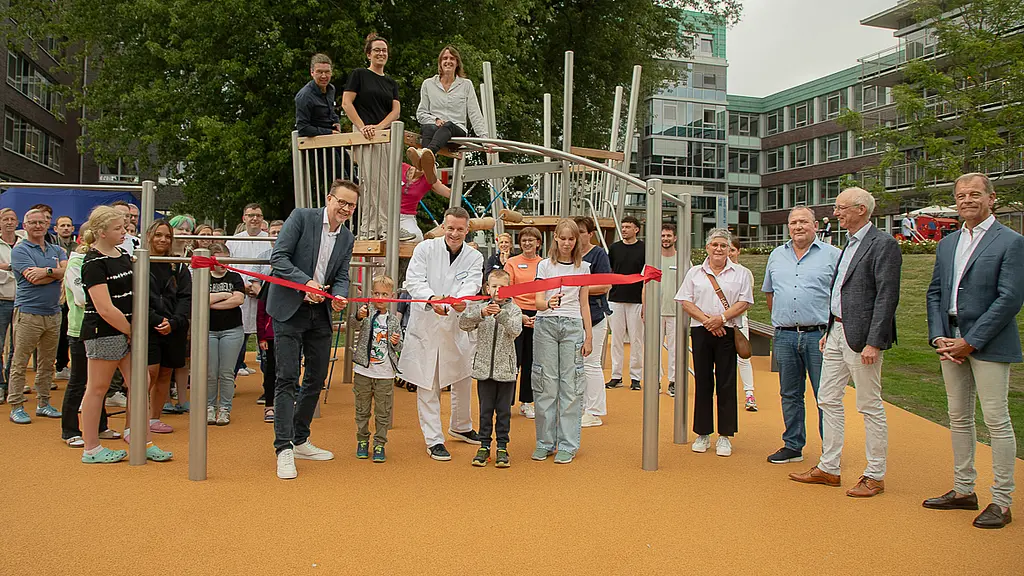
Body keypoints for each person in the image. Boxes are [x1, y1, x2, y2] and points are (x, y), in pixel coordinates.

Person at [923, 173, 1023, 529]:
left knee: (996, 420)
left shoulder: (1010, 241)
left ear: (991, 198)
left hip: (989, 342)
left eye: (975, 194)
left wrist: (971, 341)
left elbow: (1010, 298)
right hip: (950, 340)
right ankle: (964, 489)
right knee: (959, 416)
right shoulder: (948, 243)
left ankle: (1002, 500)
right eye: (961, 195)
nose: (967, 200)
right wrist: (939, 337)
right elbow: (935, 292)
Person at [789, 187, 901, 498]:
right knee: (827, 398)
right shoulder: (848, 245)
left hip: (863, 339)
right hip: (836, 332)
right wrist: (829, 329)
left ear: (861, 210)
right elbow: (839, 291)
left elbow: (886, 297)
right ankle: (829, 467)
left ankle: (875, 474)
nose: (836, 214)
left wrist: (874, 342)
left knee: (869, 404)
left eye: (841, 208)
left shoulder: (883, 245)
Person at [266, 178, 355, 479]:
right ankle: (283, 449)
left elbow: (342, 274)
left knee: (316, 377)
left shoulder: (347, 237)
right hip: (289, 308)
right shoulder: (302, 217)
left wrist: (339, 295)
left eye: (351, 205)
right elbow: (278, 258)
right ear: (329, 199)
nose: (345, 208)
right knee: (287, 377)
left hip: (321, 313)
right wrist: (305, 283)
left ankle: (300, 438)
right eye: (341, 201)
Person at [78, 206, 171, 463]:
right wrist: (131, 331)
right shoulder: (93, 262)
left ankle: (142, 438)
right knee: (97, 388)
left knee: (140, 384)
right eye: (118, 228)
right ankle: (91, 447)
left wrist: (133, 331)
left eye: (124, 227)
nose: (124, 231)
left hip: (128, 331)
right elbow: (105, 308)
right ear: (101, 232)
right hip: (105, 332)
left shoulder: (122, 254)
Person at [399, 207, 484, 461]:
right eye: (450, 228)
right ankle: (434, 439)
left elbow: (472, 282)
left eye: (460, 229)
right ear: (443, 227)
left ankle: (461, 426)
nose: (454, 233)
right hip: (427, 321)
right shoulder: (425, 249)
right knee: (429, 382)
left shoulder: (474, 256)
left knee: (463, 377)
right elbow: (413, 280)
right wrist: (431, 298)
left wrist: (463, 301)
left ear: (467, 230)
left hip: (457, 322)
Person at [762, 207, 840, 464]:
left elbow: (842, 297)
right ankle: (793, 445)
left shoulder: (833, 256)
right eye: (793, 222)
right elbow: (770, 294)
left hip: (818, 336)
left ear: (815, 225)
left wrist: (832, 330)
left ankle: (830, 454)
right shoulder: (776, 255)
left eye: (803, 221)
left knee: (825, 395)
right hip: (784, 336)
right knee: (790, 393)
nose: (798, 227)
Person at [676, 228, 753, 457]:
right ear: (707, 247)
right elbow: (685, 301)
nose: (718, 249)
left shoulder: (740, 273)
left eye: (723, 245)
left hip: (727, 332)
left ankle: (725, 436)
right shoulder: (695, 273)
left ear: (729, 249)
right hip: (701, 331)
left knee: (726, 383)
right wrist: (708, 321)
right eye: (714, 245)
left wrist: (721, 319)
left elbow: (744, 301)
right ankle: (702, 432)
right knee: (703, 382)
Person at [532, 219, 593, 464]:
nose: (567, 243)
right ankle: (545, 442)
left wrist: (588, 336)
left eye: (572, 238)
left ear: (576, 240)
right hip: (546, 324)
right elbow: (537, 301)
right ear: (555, 237)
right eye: (563, 238)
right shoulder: (545, 266)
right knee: (546, 385)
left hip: (572, 325)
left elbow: (584, 303)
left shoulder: (584, 268)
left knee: (571, 385)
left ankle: (568, 443)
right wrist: (548, 303)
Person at [6, 209, 67, 423]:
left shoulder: (56, 249)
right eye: (33, 222)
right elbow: (33, 279)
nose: (38, 226)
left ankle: (44, 403)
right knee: (20, 361)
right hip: (28, 312)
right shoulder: (20, 250)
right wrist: (54, 273)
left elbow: (65, 272)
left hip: (53, 313)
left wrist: (46, 272)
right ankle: (16, 405)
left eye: (41, 222)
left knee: (47, 361)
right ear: (25, 225)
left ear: (47, 225)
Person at [60, 224, 118, 447]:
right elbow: (82, 298)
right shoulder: (76, 262)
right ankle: (69, 429)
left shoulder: (102, 260)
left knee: (98, 382)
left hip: (101, 329)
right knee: (79, 381)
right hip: (80, 329)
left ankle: (100, 425)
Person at [342, 33, 402, 240]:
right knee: (372, 182)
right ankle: (375, 228)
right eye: (376, 50)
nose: (381, 54)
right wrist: (362, 127)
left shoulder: (390, 82)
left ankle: (378, 227)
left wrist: (378, 127)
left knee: (387, 182)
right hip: (365, 136)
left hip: (383, 135)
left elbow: (395, 111)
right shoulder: (359, 75)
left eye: (384, 50)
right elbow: (347, 103)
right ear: (368, 54)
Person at [460, 269, 522, 468]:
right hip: (483, 369)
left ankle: (502, 447)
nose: (498, 290)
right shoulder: (481, 307)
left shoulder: (514, 310)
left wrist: (501, 315)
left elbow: (515, 330)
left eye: (503, 287)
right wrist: (481, 313)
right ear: (487, 288)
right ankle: (484, 446)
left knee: (503, 411)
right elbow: (463, 323)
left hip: (506, 370)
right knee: (485, 410)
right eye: (494, 286)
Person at [409, 45, 489, 184]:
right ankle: (429, 167)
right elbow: (421, 113)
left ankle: (426, 155)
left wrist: (485, 139)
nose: (448, 61)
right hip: (435, 130)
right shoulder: (428, 84)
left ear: (457, 63)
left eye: (452, 58)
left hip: (456, 132)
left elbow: (474, 113)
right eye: (445, 58)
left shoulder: (465, 85)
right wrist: (435, 120)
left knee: (449, 124)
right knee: (428, 127)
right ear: (440, 63)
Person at [145, 220, 191, 432]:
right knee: (149, 372)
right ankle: (137, 416)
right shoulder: (140, 261)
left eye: (167, 236)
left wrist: (173, 322)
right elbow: (137, 296)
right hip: (148, 325)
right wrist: (155, 320)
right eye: (158, 235)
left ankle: (154, 417)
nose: (163, 240)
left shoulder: (179, 265)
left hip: (174, 327)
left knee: (165, 373)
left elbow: (185, 297)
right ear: (150, 236)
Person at [351, 275, 403, 463]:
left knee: (383, 411)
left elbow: (400, 345)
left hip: (385, 373)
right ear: (372, 295)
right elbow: (353, 324)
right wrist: (358, 315)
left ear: (391, 296)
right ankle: (362, 440)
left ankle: (380, 443)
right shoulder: (366, 314)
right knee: (362, 408)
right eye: (377, 293)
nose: (380, 297)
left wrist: (396, 343)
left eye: (385, 294)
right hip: (363, 371)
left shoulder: (393, 320)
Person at [573, 217, 612, 427]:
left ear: (590, 234)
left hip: (595, 316)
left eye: (581, 231)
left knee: (591, 363)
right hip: (571, 316)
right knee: (575, 365)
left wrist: (579, 288)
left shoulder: (598, 255)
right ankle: (581, 406)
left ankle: (595, 410)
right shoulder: (568, 255)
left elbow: (605, 285)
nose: (577, 236)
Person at [646, 223, 690, 398]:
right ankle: (654, 380)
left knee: (675, 350)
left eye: (669, 236)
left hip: (676, 312)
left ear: (675, 238)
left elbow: (691, 286)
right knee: (653, 348)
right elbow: (646, 285)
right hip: (656, 312)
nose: (665, 239)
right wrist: (645, 308)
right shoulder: (654, 260)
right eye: (663, 236)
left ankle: (673, 381)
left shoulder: (683, 260)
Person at [204, 243, 245, 426]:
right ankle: (209, 406)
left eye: (224, 259)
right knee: (211, 372)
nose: (221, 264)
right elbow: (200, 299)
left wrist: (212, 302)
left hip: (232, 330)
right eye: (217, 259)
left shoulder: (235, 277)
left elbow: (239, 299)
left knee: (227, 372)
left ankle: (225, 408)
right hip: (209, 330)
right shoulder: (204, 276)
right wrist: (226, 295)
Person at [226, 203, 269, 378]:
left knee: (266, 346)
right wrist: (243, 287)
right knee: (237, 345)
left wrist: (259, 289)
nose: (254, 219)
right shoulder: (233, 241)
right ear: (244, 218)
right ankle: (230, 382)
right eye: (251, 215)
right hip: (240, 297)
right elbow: (228, 268)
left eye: (258, 215)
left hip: (264, 299)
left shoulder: (269, 240)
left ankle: (269, 389)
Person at [504, 226, 542, 419]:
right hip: (515, 313)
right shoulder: (511, 263)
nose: (527, 243)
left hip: (538, 314)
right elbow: (506, 291)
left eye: (531, 240)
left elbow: (547, 290)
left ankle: (527, 402)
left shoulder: (544, 264)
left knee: (531, 361)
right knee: (513, 359)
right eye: (524, 240)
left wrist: (539, 314)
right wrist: (519, 315)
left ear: (538, 243)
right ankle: (506, 402)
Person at [606, 215, 645, 390]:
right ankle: (616, 375)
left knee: (637, 339)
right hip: (616, 298)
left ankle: (636, 377)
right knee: (616, 339)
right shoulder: (614, 248)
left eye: (628, 227)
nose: (624, 230)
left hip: (636, 300)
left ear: (636, 229)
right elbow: (609, 270)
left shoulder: (644, 249)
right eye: (623, 227)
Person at [255, 219, 284, 411]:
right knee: (271, 368)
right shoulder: (269, 282)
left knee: (290, 368)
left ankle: (285, 402)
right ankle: (270, 402)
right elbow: (261, 310)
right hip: (272, 334)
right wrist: (262, 336)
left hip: (290, 331)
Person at [728, 236, 757, 411]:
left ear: (738, 251)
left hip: (739, 321)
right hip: (720, 323)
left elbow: (746, 300)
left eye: (732, 249)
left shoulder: (745, 273)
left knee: (743, 358)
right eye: (727, 249)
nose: (729, 253)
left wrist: (729, 315)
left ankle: (749, 393)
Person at [399, 162, 451, 242]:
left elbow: (449, 193)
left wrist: (459, 181)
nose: (422, 169)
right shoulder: (401, 167)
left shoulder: (429, 179)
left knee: (416, 238)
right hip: (385, 213)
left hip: (406, 217)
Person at [0, 207, 19, 399]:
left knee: (17, 347)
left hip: (21, 302)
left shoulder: (22, 244)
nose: (9, 222)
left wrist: (7, 268)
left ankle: (11, 384)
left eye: (12, 218)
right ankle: (0, 384)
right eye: (5, 218)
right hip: (1, 300)